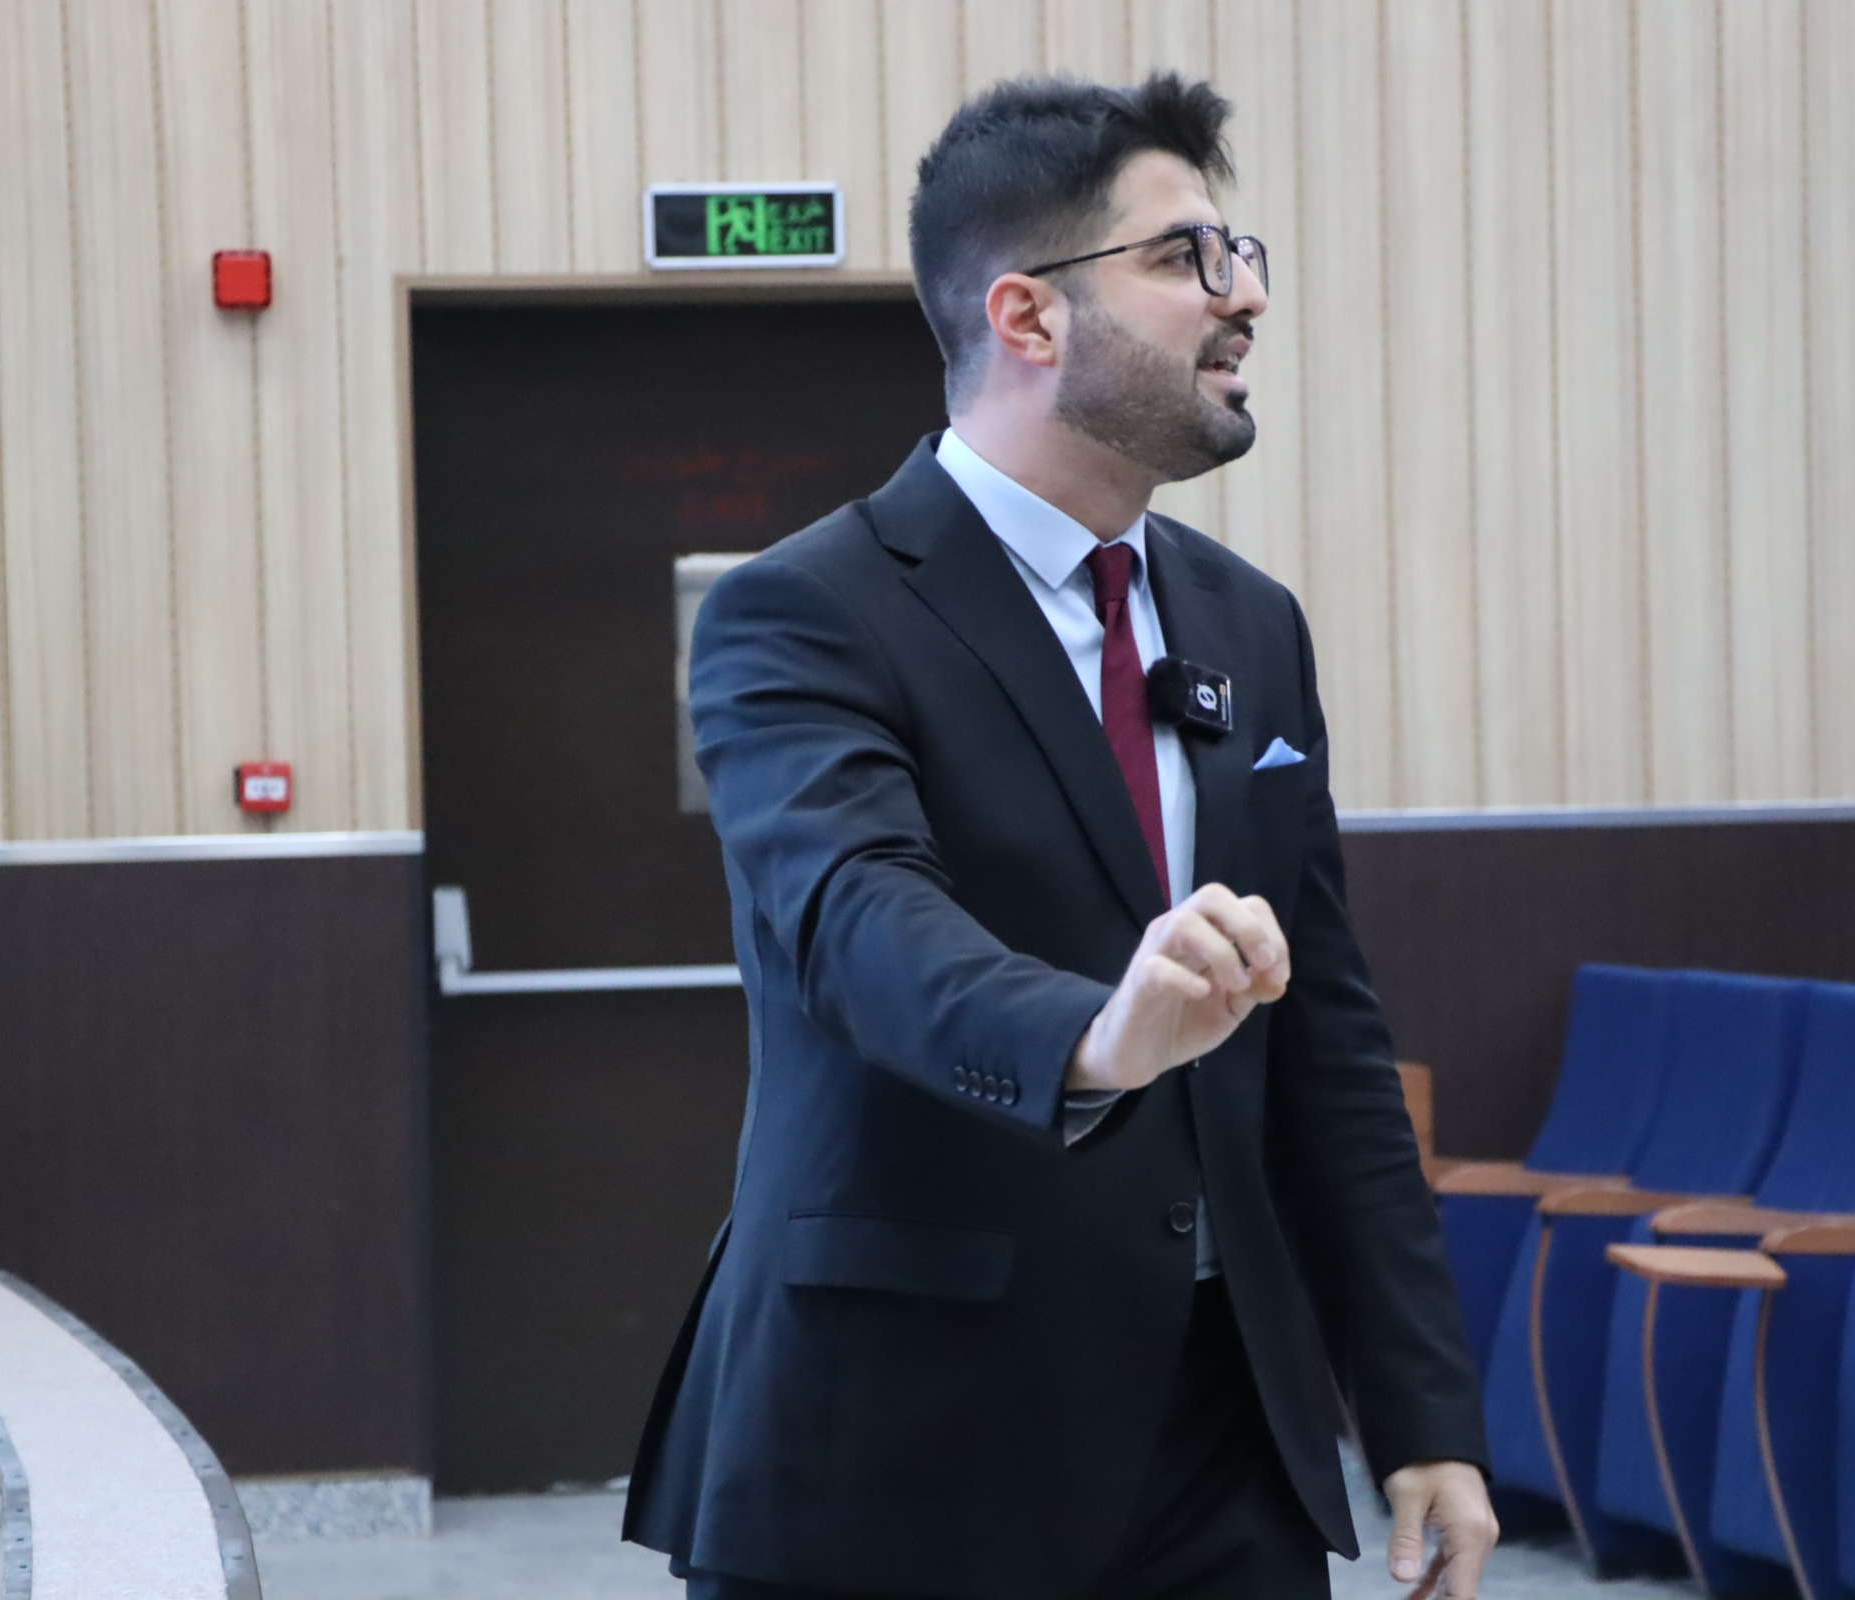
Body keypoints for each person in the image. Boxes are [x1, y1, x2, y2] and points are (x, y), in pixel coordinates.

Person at [624, 73, 1497, 1600]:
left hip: (1225, 1442)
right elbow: (857, 923)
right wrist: (1097, 1036)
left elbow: (1326, 1040)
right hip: (901, 1446)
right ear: (1028, 316)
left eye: (1239, 254)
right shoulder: (805, 613)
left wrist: (1423, 1409)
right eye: (1181, 259)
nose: (1242, 299)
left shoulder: (1250, 623)